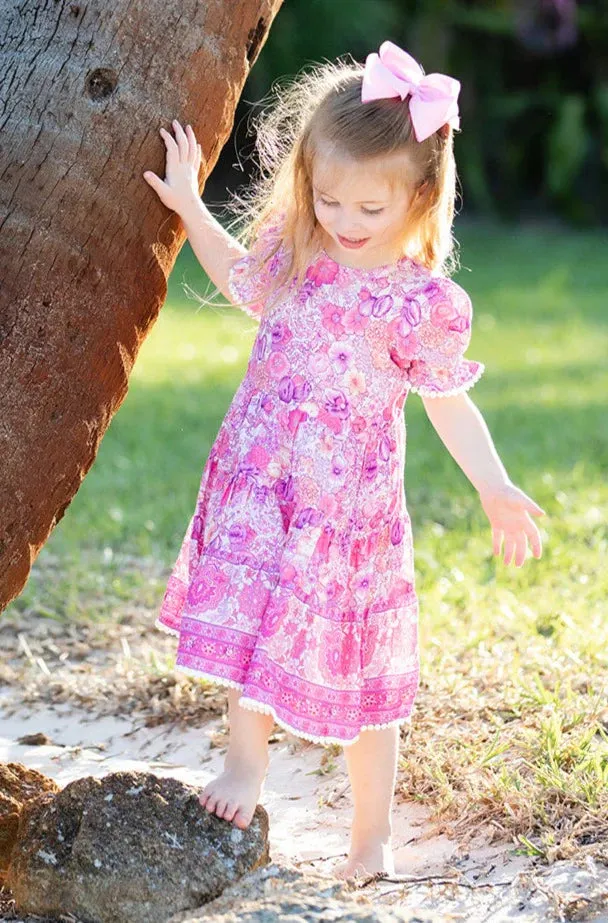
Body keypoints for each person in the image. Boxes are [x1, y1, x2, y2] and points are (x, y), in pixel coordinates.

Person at [143, 41, 546, 880]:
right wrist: (189, 208)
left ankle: (372, 837)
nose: (347, 220)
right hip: (265, 482)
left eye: (370, 206)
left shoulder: (422, 301)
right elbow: (237, 280)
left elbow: (447, 400)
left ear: (419, 196)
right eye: (329, 198)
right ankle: (245, 766)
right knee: (254, 621)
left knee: (367, 683)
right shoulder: (297, 253)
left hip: (348, 512)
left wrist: (496, 484)